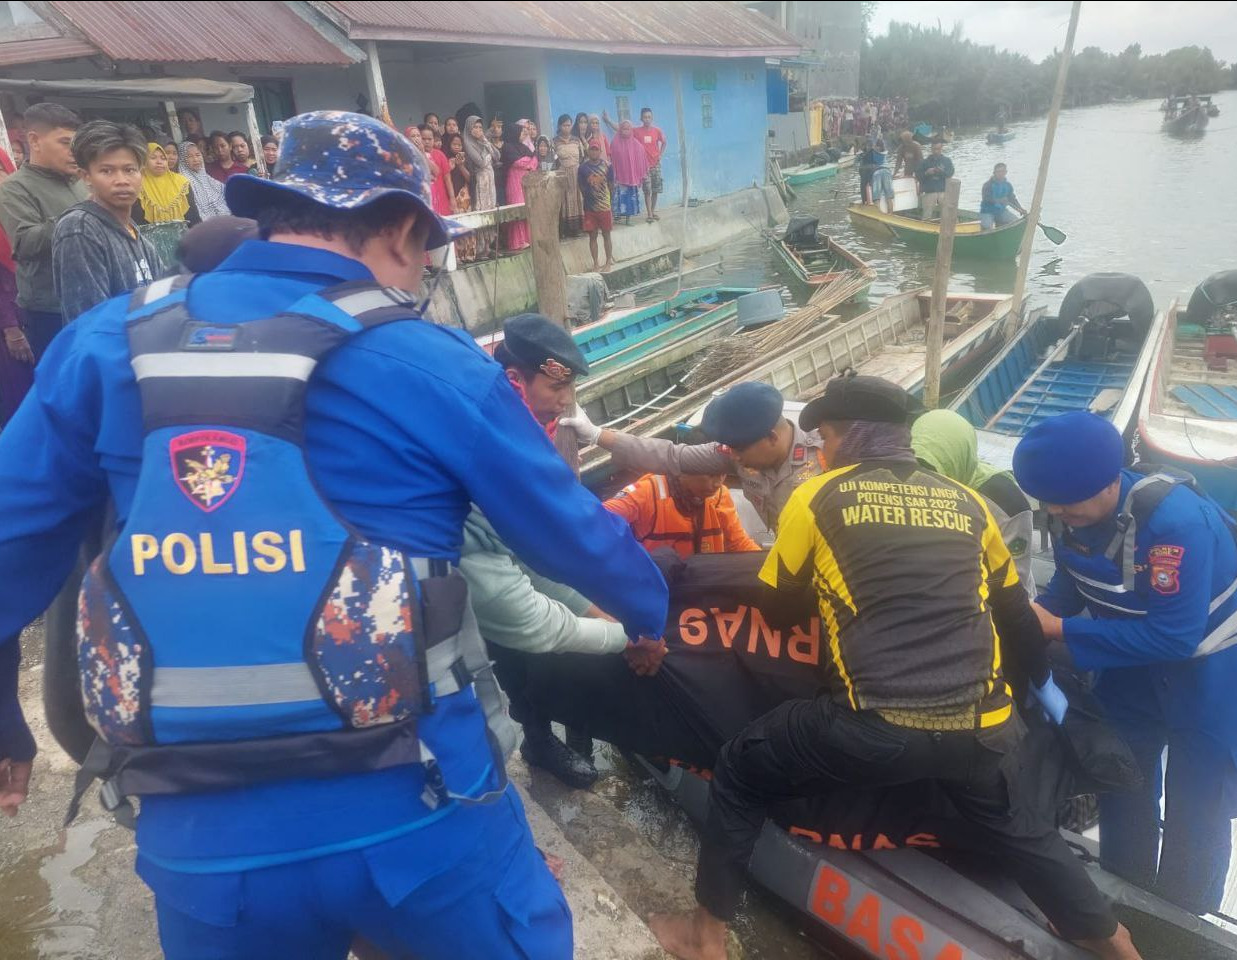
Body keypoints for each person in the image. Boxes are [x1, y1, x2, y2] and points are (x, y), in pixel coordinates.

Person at [0, 109, 668, 959]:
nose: (425, 267)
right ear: (397, 229)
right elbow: (570, 535)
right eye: (426, 246)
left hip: (201, 836)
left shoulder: (104, 343)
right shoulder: (432, 359)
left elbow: (12, 537)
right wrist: (648, 614)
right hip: (420, 810)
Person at [649, 375, 1143, 960]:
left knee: (738, 768)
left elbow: (778, 609)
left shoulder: (819, 494)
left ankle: (704, 937)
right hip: (984, 730)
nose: (824, 449)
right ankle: (1113, 942)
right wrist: (1037, 693)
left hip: (872, 728)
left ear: (850, 437)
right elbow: (1018, 624)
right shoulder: (969, 504)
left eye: (828, 436)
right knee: (1018, 829)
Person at [1013, 411, 1237, 917]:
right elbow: (1073, 581)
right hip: (1133, 660)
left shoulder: (1174, 526)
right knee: (1122, 774)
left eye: (1066, 500)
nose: (1055, 509)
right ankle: (1121, 891)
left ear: (1111, 479)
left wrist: (1059, 630)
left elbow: (1175, 636)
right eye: (1047, 500)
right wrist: (1043, 610)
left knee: (1197, 805)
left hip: (1218, 671)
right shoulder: (1073, 513)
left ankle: (1184, 916)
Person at [465, 313, 665, 790]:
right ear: (516, 381)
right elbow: (522, 605)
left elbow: (546, 531)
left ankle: (576, 723)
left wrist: (610, 616)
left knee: (569, 634)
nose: (566, 399)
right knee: (516, 656)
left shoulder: (540, 422)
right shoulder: (485, 443)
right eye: (557, 388)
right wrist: (628, 636)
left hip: (533, 546)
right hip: (467, 576)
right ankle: (535, 737)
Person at [562, 381, 825, 534]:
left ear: (771, 438)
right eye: (729, 448)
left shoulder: (827, 455)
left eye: (739, 450)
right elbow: (671, 456)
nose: (733, 457)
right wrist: (597, 435)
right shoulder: (737, 453)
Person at [911, 408, 1035, 591]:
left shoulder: (1006, 502)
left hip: (997, 599)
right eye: (918, 464)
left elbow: (1016, 578)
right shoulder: (912, 483)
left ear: (958, 457)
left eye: (934, 468)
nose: (927, 479)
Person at [52, 121, 162, 324]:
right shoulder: (80, 229)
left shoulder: (135, 233)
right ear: (86, 177)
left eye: (129, 170)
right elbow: (91, 321)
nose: (122, 180)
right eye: (107, 171)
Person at [0, 103, 86, 362]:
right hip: (50, 310)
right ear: (35, 141)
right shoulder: (15, 188)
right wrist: (82, 214)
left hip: (92, 299)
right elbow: (25, 243)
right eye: (65, 142)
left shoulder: (82, 181)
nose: (74, 152)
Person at [604, 468, 759, 558]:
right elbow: (595, 518)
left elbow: (739, 543)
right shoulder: (645, 493)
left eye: (722, 474)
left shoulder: (720, 495)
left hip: (705, 584)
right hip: (659, 587)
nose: (718, 483)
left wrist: (770, 570)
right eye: (711, 475)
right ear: (683, 471)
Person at [0, 146, 30, 427]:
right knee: (17, 394)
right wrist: (10, 328)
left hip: (34, 313)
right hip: (8, 328)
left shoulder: (19, 211)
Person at [133, 142, 199, 227]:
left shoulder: (181, 182)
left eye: (163, 158)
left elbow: (193, 216)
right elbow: (137, 220)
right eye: (153, 158)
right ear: (144, 160)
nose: (159, 162)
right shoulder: (137, 184)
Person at [463, 115, 500, 258]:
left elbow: (497, 155)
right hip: (479, 180)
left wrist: (485, 140)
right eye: (475, 127)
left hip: (490, 179)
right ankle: (479, 248)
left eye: (480, 127)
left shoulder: (482, 141)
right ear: (469, 129)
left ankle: (488, 246)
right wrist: (486, 147)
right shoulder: (468, 142)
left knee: (490, 210)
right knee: (481, 211)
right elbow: (481, 162)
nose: (478, 130)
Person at [576, 140, 614, 271]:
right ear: (588, 151)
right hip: (589, 208)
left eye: (596, 149)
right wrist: (588, 198)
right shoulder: (582, 168)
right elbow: (580, 186)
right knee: (592, 236)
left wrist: (608, 202)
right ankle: (596, 263)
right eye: (591, 149)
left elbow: (611, 185)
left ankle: (608, 261)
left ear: (600, 151)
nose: (594, 151)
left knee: (606, 234)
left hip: (604, 207)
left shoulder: (608, 166)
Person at [502, 120, 538, 252]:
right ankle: (517, 241)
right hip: (514, 181)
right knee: (517, 209)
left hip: (526, 180)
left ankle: (528, 238)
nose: (524, 134)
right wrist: (529, 163)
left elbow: (535, 160)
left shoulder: (524, 146)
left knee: (527, 208)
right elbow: (517, 162)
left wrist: (529, 163)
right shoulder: (507, 147)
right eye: (522, 132)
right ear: (514, 133)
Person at [177, 140, 231, 221]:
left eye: (198, 155)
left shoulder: (207, 178)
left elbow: (226, 193)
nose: (195, 159)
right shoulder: (183, 183)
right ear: (182, 161)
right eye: (189, 156)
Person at [444, 132, 477, 262]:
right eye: (454, 144)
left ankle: (468, 254)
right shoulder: (445, 158)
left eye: (459, 144)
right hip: (452, 196)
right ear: (449, 145)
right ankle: (458, 255)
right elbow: (444, 178)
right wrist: (451, 166)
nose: (457, 147)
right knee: (456, 225)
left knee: (467, 224)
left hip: (465, 196)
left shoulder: (466, 159)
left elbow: (470, 179)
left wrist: (461, 165)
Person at [607, 120, 647, 226]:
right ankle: (617, 218)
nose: (625, 131)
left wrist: (640, 175)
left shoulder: (636, 144)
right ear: (620, 129)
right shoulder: (615, 143)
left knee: (629, 199)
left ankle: (628, 219)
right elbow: (611, 159)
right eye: (623, 129)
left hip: (631, 177)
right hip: (619, 177)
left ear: (631, 130)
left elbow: (642, 157)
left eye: (628, 129)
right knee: (618, 198)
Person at [552, 113, 586, 237]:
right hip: (562, 175)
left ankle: (578, 228)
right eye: (564, 125)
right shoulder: (555, 142)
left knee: (577, 199)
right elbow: (553, 160)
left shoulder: (576, 140)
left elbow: (582, 157)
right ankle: (565, 230)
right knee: (564, 200)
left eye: (569, 125)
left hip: (576, 174)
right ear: (560, 126)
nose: (567, 127)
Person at [916, 139, 954, 221]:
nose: (936, 151)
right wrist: (927, 173)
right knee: (926, 217)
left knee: (948, 214)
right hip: (929, 191)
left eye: (938, 149)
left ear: (941, 149)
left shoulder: (947, 161)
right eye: (934, 149)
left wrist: (940, 172)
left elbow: (950, 173)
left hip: (943, 191)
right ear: (931, 149)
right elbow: (918, 176)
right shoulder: (924, 162)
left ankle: (949, 227)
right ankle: (926, 228)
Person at [980, 162, 1026, 231]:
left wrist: (1020, 208)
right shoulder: (988, 185)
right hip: (988, 211)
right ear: (994, 173)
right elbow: (986, 199)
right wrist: (998, 200)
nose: (1000, 173)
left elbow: (1012, 199)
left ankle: (1001, 226)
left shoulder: (1007, 185)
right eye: (998, 171)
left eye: (1002, 171)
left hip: (1001, 211)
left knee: (1016, 222)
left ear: (1005, 172)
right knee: (987, 226)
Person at [422, 126, 451, 214]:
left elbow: (447, 179)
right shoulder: (414, 155)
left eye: (429, 139)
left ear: (433, 140)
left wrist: (452, 198)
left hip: (441, 198)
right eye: (423, 139)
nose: (427, 142)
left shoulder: (440, 155)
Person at [870, 137, 894, 213]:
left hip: (877, 172)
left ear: (876, 145)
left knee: (876, 197)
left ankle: (878, 214)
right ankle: (890, 214)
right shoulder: (885, 152)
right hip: (887, 171)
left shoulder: (873, 152)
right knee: (889, 196)